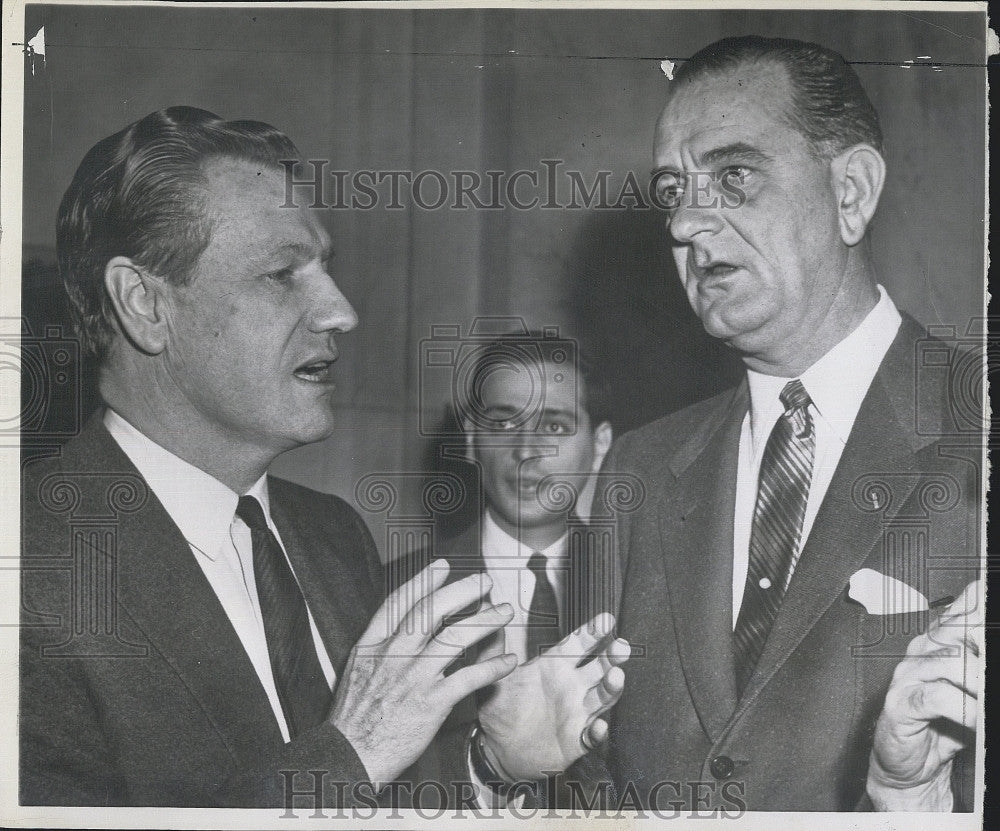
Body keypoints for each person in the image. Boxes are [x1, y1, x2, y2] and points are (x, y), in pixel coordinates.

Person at [19, 107, 626, 808]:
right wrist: (352, 752)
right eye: (283, 274)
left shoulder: (332, 535)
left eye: (325, 269)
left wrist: (490, 765)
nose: (341, 311)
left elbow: (388, 800)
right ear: (144, 304)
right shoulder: (29, 566)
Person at [599, 35, 982, 812]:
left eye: (733, 177)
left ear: (852, 193)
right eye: (673, 192)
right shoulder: (636, 468)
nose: (684, 227)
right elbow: (592, 767)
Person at [390, 332, 626, 804]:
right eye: (502, 424)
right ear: (473, 441)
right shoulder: (396, 593)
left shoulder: (644, 581)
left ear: (599, 445)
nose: (527, 450)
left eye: (555, 427)